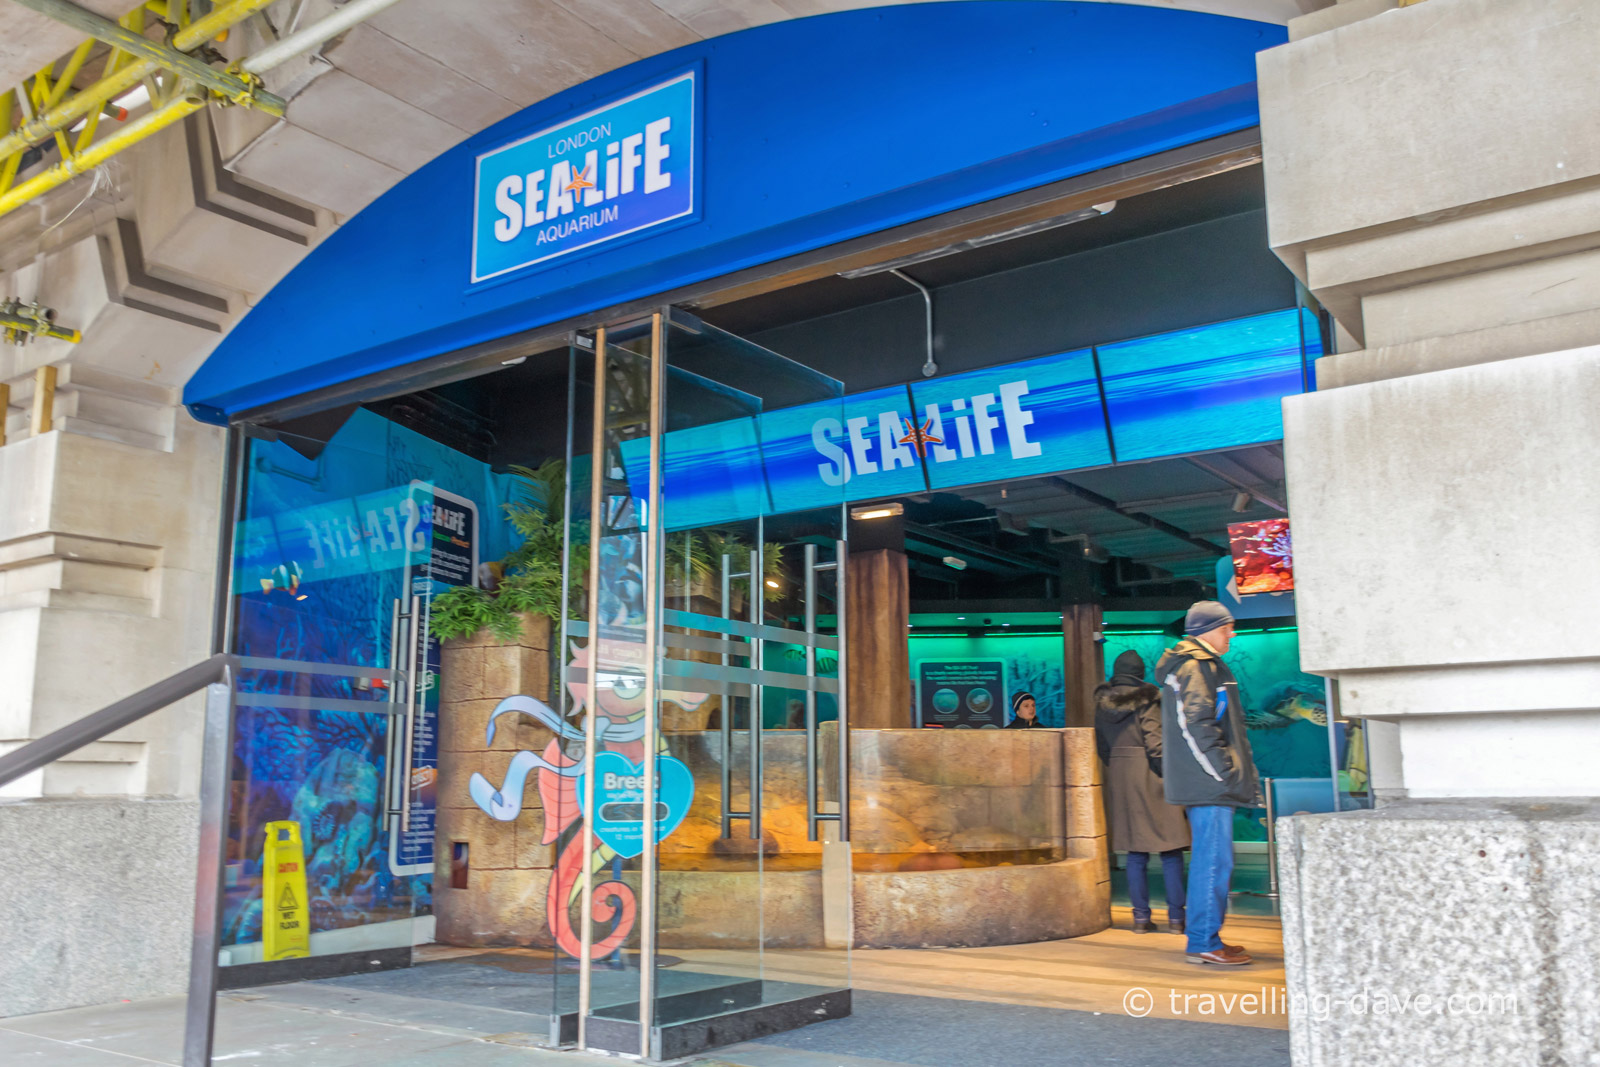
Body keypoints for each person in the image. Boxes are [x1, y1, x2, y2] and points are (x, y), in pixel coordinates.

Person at [1157, 601, 1259, 966]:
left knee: (1213, 860)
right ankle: (1203, 941)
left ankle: (1207, 935)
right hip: (1209, 782)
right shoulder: (1195, 666)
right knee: (1214, 861)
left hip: (1209, 781)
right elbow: (1196, 723)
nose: (1231, 633)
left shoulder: (1202, 664)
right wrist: (1224, 771)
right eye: (1226, 627)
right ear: (1206, 630)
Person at [1094, 650, 1190, 934]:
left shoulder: (1102, 703)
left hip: (1122, 778)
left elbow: (1101, 744)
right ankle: (1176, 918)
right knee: (1170, 848)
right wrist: (1169, 773)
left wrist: (1119, 766)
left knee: (1135, 853)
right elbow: (1154, 740)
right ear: (1139, 673)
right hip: (1152, 774)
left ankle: (1140, 919)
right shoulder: (1147, 698)